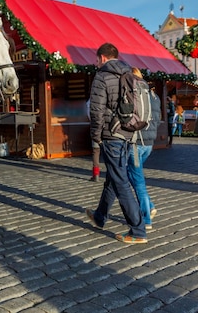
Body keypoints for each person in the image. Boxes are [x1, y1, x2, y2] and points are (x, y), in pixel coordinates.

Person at [85, 43, 148, 244]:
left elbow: (96, 111)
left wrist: (96, 136)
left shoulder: (102, 76)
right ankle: (100, 216)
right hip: (128, 132)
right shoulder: (128, 73)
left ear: (102, 58)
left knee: (120, 180)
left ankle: (138, 230)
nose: (95, 64)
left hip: (110, 134)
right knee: (114, 176)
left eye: (96, 60)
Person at [127, 68, 160, 230]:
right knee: (133, 175)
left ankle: (146, 218)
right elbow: (158, 118)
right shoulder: (153, 95)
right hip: (149, 143)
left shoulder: (135, 93)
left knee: (138, 180)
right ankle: (150, 206)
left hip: (136, 141)